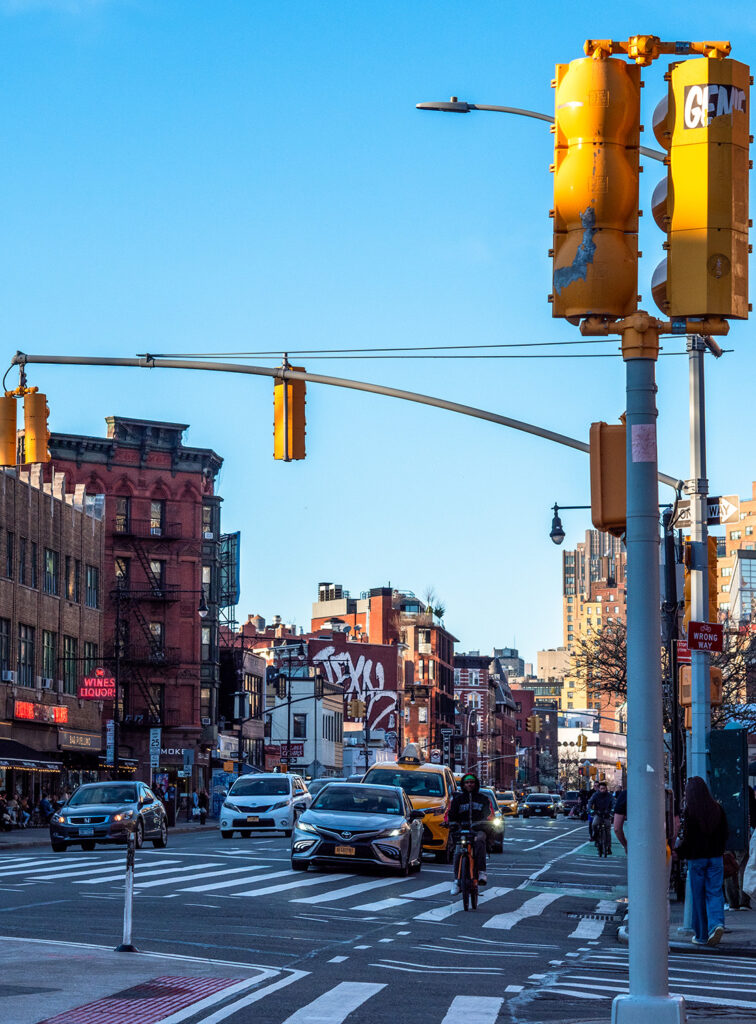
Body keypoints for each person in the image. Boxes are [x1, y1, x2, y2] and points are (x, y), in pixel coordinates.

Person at [675, 776, 729, 947]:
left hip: (697, 859)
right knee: (715, 892)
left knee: (698, 896)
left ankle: (701, 935)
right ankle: (717, 924)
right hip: (716, 857)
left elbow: (688, 840)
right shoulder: (717, 809)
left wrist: (680, 853)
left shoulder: (690, 812)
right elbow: (725, 834)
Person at [447, 772, 490, 895]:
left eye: (471, 782)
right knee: (458, 851)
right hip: (462, 829)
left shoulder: (483, 799)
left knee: (480, 841)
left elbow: (487, 813)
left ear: (476, 784)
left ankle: (482, 872)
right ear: (463, 784)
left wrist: (485, 823)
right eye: (467, 782)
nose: (469, 784)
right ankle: (457, 880)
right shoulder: (458, 800)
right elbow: (452, 814)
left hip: (478, 829)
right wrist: (451, 823)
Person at [587, 781, 614, 854]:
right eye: (601, 788)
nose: (602, 790)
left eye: (604, 788)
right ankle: (595, 836)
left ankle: (608, 847)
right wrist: (590, 810)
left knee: (608, 831)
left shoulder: (609, 796)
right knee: (594, 824)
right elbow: (590, 802)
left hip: (606, 814)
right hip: (598, 813)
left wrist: (612, 811)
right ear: (599, 789)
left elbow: (614, 803)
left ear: (606, 789)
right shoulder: (595, 795)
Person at [613, 788, 627, 853]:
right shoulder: (661, 793)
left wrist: (625, 845)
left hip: (637, 843)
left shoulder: (625, 795)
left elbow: (617, 828)